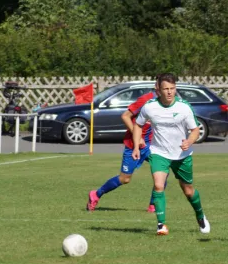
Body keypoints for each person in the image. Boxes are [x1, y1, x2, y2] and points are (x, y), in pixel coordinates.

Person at [132, 73, 209, 236]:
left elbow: (195, 130)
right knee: (159, 185)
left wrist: (189, 141)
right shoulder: (149, 106)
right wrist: (136, 146)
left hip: (182, 155)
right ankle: (161, 225)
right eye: (165, 89)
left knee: (188, 190)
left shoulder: (184, 107)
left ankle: (200, 216)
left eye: (172, 89)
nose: (169, 92)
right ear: (158, 90)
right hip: (159, 153)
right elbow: (138, 125)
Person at [86, 78, 167, 213]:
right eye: (163, 87)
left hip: (152, 145)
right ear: (157, 87)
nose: (166, 91)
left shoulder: (165, 103)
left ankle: (153, 205)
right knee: (125, 179)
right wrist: (138, 136)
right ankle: (96, 194)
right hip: (133, 144)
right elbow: (125, 116)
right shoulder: (146, 100)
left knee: (163, 172)